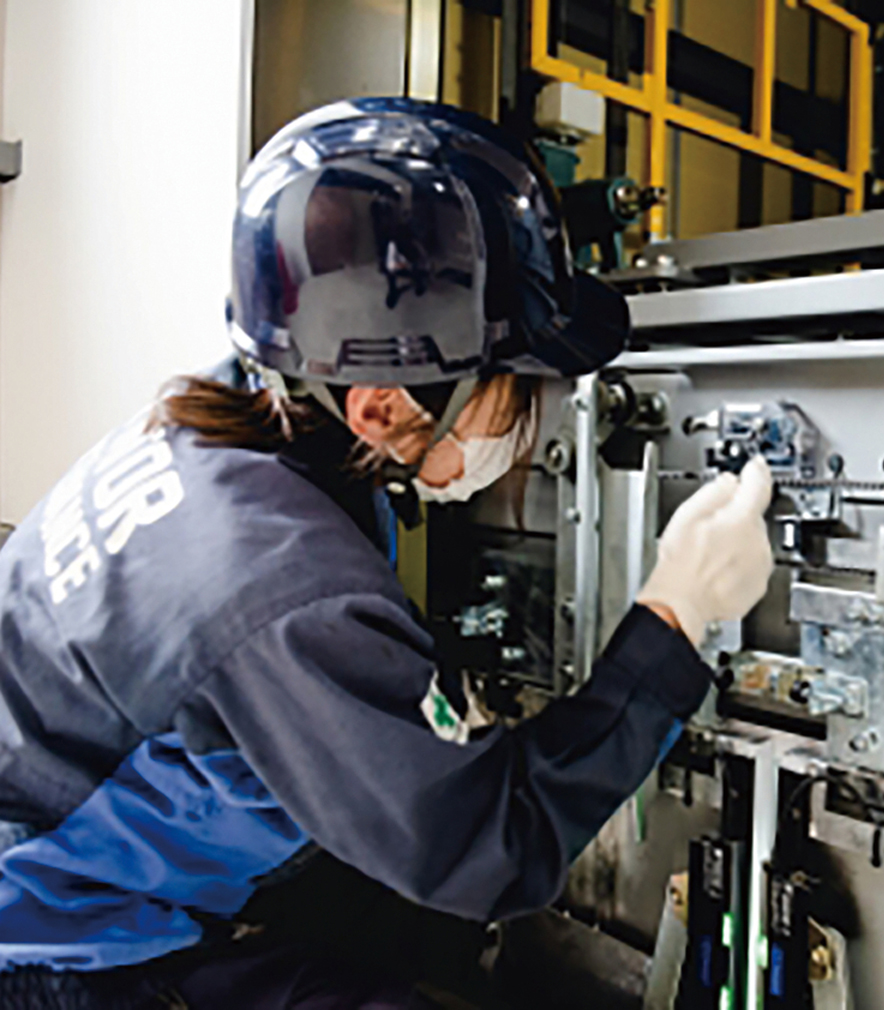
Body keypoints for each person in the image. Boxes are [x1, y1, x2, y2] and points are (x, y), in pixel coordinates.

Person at [0, 98, 774, 1009]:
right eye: (512, 387)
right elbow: (494, 846)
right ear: (383, 407)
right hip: (60, 953)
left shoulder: (233, 412)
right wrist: (674, 616)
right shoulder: (282, 589)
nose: (530, 424)